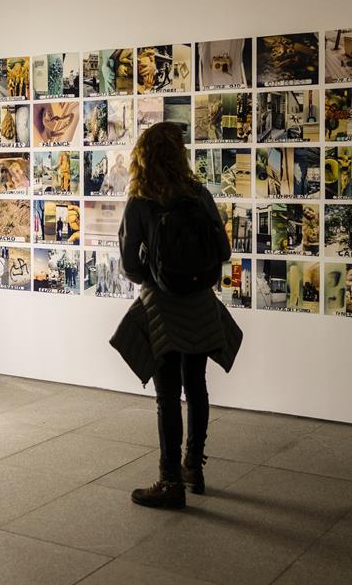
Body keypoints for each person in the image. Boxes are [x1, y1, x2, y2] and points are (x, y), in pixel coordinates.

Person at [111, 122, 242, 509]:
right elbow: (223, 251)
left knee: (167, 396)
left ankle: (170, 482)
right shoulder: (197, 193)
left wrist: (155, 275)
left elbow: (129, 266)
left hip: (162, 309)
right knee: (196, 386)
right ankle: (193, 467)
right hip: (200, 304)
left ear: (143, 157)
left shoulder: (140, 199)